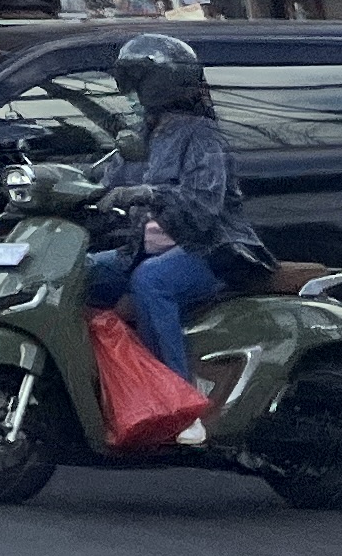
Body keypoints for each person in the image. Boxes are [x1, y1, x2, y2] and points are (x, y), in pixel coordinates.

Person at [88, 31, 273, 436]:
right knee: (78, 273)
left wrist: (148, 193)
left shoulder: (202, 137)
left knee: (151, 281)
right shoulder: (138, 137)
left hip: (211, 250)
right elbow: (102, 183)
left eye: (137, 80)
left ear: (159, 82)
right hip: (141, 248)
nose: (131, 92)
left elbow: (204, 207)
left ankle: (177, 401)